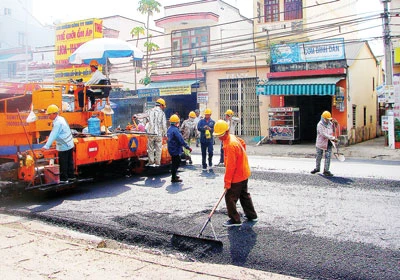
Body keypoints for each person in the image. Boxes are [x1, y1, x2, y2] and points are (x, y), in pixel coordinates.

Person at [213, 119, 258, 227]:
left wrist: (227, 182)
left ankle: (234, 220)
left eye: (220, 135)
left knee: (230, 197)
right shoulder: (231, 137)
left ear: (226, 132)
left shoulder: (230, 145)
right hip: (244, 171)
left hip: (237, 175)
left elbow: (231, 167)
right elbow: (242, 142)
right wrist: (241, 156)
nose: (219, 137)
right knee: (244, 195)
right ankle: (252, 215)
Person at [41, 104, 75, 184]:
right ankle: (71, 177)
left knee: (63, 163)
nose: (48, 116)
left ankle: (64, 179)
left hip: (64, 145)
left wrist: (46, 146)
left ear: (54, 113)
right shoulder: (61, 119)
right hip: (69, 143)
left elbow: (54, 134)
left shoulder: (58, 123)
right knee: (69, 161)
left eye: (49, 114)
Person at [311, 111, 338, 177]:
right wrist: (332, 137)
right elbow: (323, 134)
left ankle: (326, 170)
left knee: (328, 156)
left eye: (329, 119)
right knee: (319, 156)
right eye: (326, 119)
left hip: (329, 142)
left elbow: (333, 131)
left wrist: (335, 125)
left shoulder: (330, 124)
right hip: (321, 143)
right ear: (323, 118)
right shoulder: (319, 125)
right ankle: (317, 168)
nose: (328, 120)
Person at [167, 114, 192, 183]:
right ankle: (173, 177)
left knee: (174, 162)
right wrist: (187, 147)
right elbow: (181, 140)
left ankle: (174, 175)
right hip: (175, 149)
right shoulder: (175, 130)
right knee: (177, 162)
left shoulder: (169, 129)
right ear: (176, 123)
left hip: (171, 149)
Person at [146, 98, 167, 166]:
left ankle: (151, 162)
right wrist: (165, 134)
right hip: (158, 134)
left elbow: (145, 120)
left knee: (150, 148)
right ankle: (158, 162)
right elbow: (164, 125)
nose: (163, 107)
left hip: (151, 133)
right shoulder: (162, 113)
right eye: (163, 106)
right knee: (158, 148)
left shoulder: (150, 111)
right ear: (161, 105)